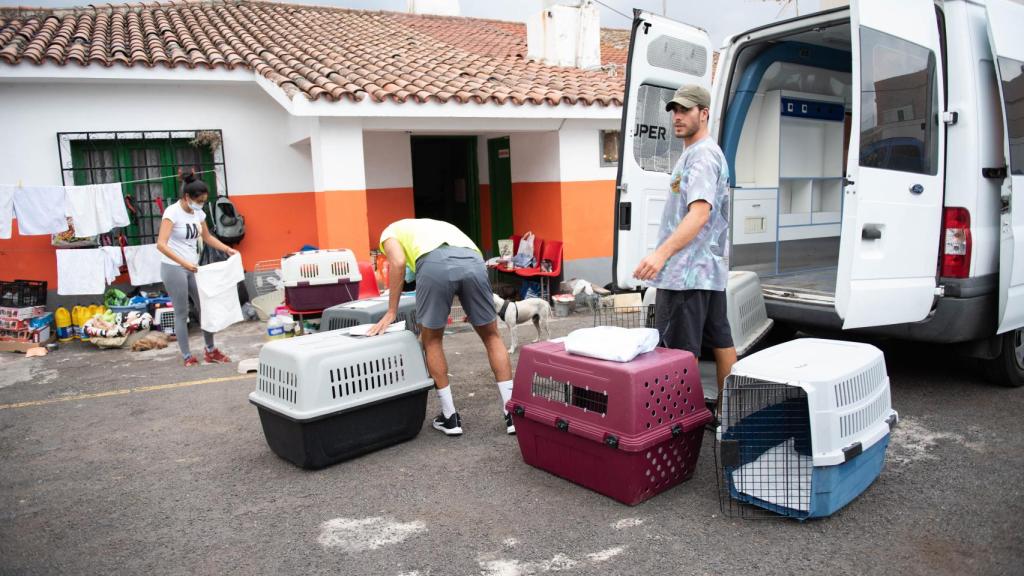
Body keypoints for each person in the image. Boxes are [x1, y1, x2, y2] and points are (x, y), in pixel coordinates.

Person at [633, 84, 737, 404]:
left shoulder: (702, 156)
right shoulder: (698, 153)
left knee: (680, 353)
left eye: (686, 110)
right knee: (721, 341)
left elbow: (699, 213)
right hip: (707, 271)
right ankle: (729, 415)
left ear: (703, 113)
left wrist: (661, 255)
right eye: (675, 111)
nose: (677, 117)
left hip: (686, 274)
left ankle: (680, 422)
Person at [368, 218, 515, 436]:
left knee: (432, 340)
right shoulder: (436, 226)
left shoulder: (388, 232)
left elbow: (398, 263)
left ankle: (450, 417)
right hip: (474, 261)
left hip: (434, 265)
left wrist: (392, 311)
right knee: (492, 336)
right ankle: (512, 413)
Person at [156, 170, 239, 367]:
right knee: (182, 312)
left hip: (193, 267)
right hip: (174, 268)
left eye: (203, 201)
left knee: (205, 308)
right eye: (199, 200)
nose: (201, 204)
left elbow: (208, 237)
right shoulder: (172, 213)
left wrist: (228, 249)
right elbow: (161, 244)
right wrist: (184, 264)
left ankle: (210, 350)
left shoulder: (198, 213)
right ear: (187, 197)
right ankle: (187, 356)